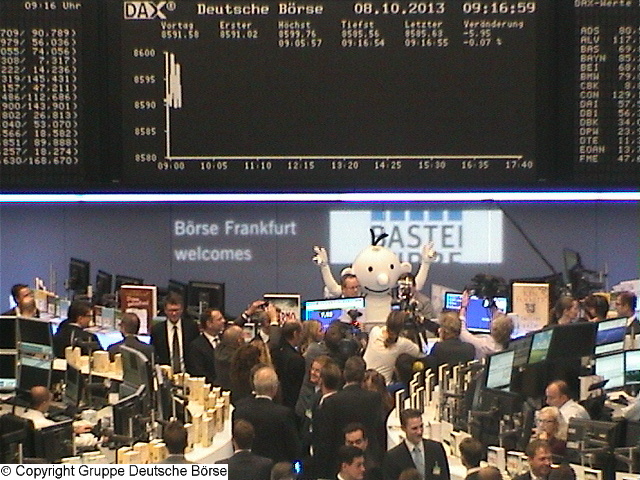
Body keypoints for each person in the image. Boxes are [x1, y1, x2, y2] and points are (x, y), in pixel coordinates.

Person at [319, 356, 385, 474]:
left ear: (344, 374)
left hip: (341, 463)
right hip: (369, 462)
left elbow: (326, 439)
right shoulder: (374, 398)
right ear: (363, 376)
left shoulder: (331, 401)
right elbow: (379, 431)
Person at [233, 366, 301, 463]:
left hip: (247, 465)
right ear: (275, 388)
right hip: (274, 468)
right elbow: (293, 449)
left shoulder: (239, 409)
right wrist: (297, 470)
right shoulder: (283, 414)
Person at [383, 408, 450, 480]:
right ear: (403, 428)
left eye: (421, 426)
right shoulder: (393, 457)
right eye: (414, 428)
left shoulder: (436, 449)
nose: (419, 432)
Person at [20, 386, 97, 449]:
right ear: (44, 403)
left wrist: (73, 431)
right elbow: (70, 442)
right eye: (49, 401)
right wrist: (95, 439)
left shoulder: (23, 417)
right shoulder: (46, 426)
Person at [363, 311, 422, 384]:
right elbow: (417, 352)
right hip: (383, 386)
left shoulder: (374, 331)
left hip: (363, 382)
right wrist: (411, 334)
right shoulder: (403, 344)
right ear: (402, 329)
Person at [150, 292, 199, 373]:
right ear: (165, 310)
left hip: (188, 375)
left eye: (176, 310)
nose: (174, 313)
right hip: (166, 375)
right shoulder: (157, 330)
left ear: (182, 309)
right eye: (170, 310)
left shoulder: (191, 327)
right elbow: (155, 355)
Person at [271, 320, 306, 409]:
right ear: (295, 334)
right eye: (301, 333)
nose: (302, 337)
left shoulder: (275, 351)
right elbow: (296, 389)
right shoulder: (297, 359)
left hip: (275, 401)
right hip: (290, 404)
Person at [187, 308, 225, 385]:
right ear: (209, 324)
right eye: (219, 319)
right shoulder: (196, 346)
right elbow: (198, 372)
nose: (223, 321)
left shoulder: (224, 340)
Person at [215, 325, 245, 391]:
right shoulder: (239, 359)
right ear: (239, 341)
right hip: (236, 391)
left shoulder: (218, 350)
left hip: (220, 388)